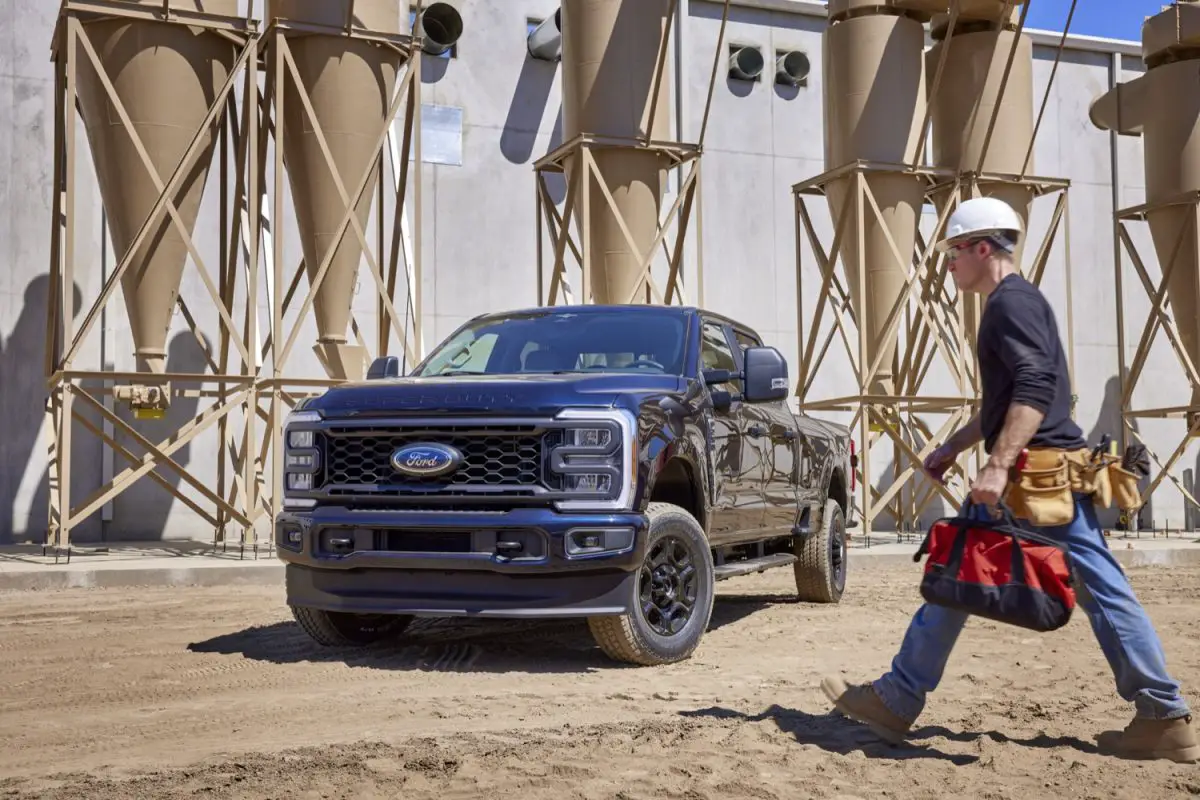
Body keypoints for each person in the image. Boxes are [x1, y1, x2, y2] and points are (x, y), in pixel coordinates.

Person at [820, 196, 1199, 763]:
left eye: (953, 253)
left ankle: (1162, 712)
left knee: (1091, 590)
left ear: (981, 248)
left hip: (1038, 477)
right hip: (1043, 472)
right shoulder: (1015, 303)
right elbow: (1007, 398)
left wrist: (997, 465)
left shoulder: (1009, 305)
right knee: (958, 572)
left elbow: (1036, 387)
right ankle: (898, 696)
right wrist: (955, 445)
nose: (948, 265)